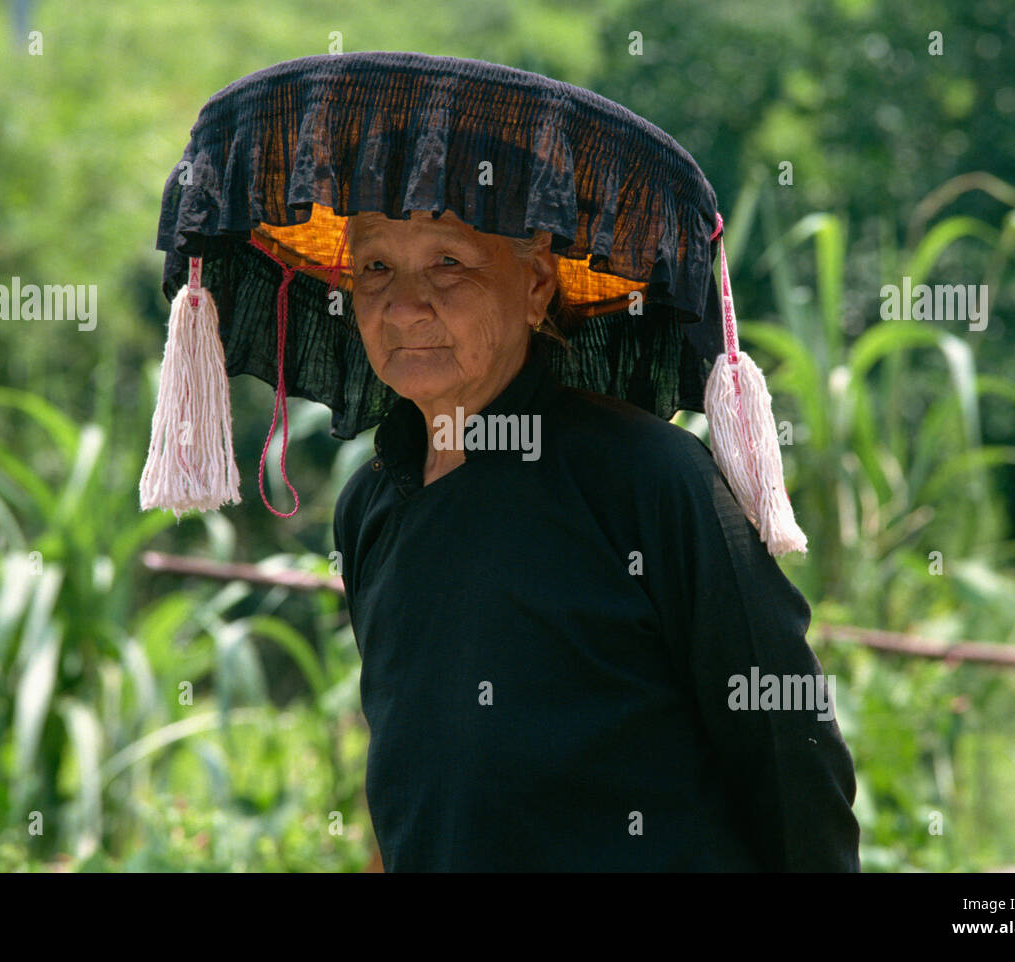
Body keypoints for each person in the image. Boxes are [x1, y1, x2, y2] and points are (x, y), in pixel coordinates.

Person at [331, 207, 861, 872]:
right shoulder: (372, 503)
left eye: (447, 262)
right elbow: (416, 775)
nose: (404, 307)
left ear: (535, 284)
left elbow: (787, 743)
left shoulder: (646, 477)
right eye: (376, 266)